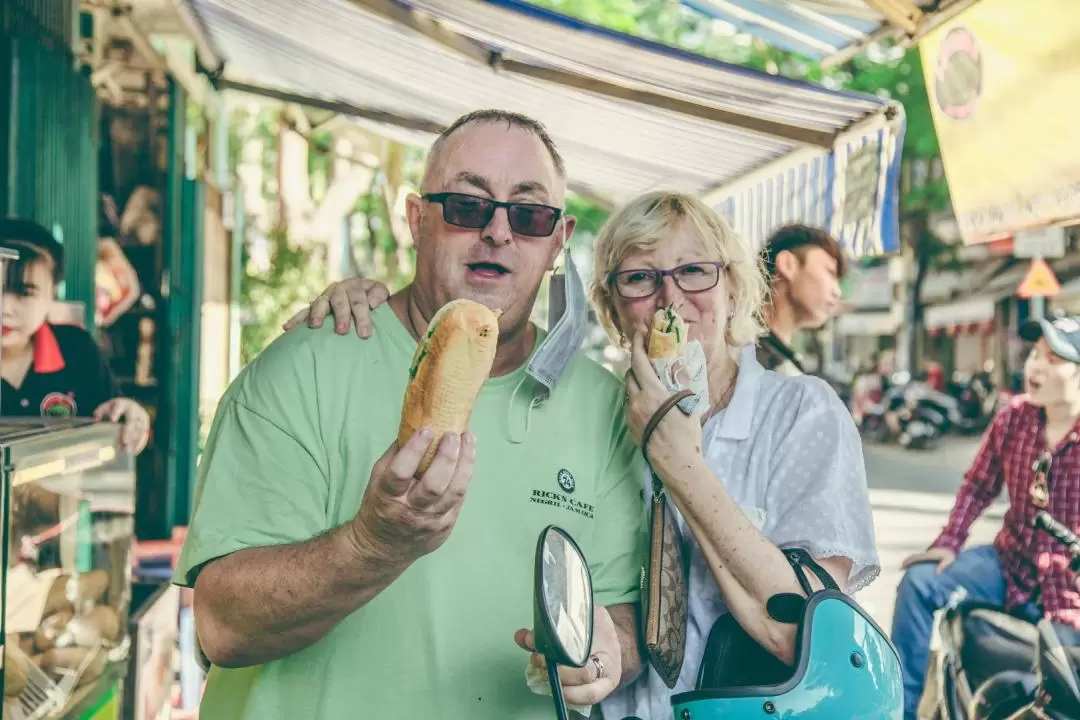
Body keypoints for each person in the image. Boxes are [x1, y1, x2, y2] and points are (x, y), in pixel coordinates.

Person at [292, 191, 881, 718]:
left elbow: (798, 632)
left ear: (732, 288)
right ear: (613, 309)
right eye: (639, 279)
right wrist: (369, 302)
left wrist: (680, 464)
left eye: (695, 271)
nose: (670, 298)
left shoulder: (801, 414)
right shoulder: (594, 414)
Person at [173, 109, 646, 720]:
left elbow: (620, 613)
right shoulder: (303, 369)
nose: (499, 233)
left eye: (529, 216)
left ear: (558, 240)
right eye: (467, 206)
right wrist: (373, 545)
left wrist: (609, 652)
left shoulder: (603, 407)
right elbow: (222, 627)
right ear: (417, 220)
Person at [893, 313, 1080, 720]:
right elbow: (978, 486)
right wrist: (949, 542)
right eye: (1034, 354)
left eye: (1053, 358)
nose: (1036, 365)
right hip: (1007, 566)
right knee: (919, 583)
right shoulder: (1012, 419)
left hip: (1069, 588)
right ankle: (900, 711)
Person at [0, 218, 150, 453]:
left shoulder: (76, 350)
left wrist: (131, 416)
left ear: (53, 293)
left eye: (24, 292)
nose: (4, 308)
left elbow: (116, 420)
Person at [757, 224, 845, 377]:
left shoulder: (779, 359)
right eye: (830, 272)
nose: (837, 291)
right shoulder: (745, 357)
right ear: (787, 264)